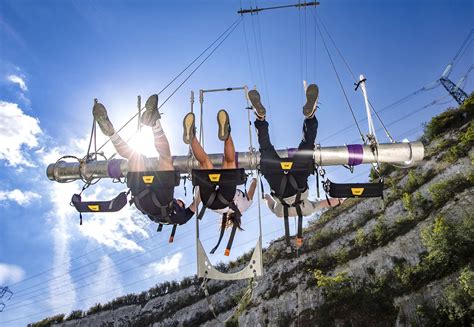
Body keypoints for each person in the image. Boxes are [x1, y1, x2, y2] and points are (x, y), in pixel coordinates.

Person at [92, 94, 198, 227]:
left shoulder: (181, 218)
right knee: (134, 156)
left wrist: (201, 185)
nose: (180, 202)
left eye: (181, 203)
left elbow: (196, 204)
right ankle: (111, 133)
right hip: (141, 199)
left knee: (165, 156)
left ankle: (154, 123)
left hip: (162, 200)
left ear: (180, 207)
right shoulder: (165, 218)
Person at [248, 84, 342, 219]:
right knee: (266, 148)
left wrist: (339, 201)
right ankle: (260, 118)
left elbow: (325, 203)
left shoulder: (308, 210)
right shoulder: (279, 214)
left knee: (307, 145)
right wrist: (266, 197)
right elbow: (269, 202)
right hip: (278, 186)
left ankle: (310, 117)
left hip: (299, 183)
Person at [182, 109, 257, 231]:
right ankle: (192, 138)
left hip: (228, 196)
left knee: (229, 162)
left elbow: (252, 189)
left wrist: (254, 180)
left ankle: (227, 135)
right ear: (228, 219)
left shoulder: (245, 207)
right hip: (209, 202)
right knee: (205, 162)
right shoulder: (219, 212)